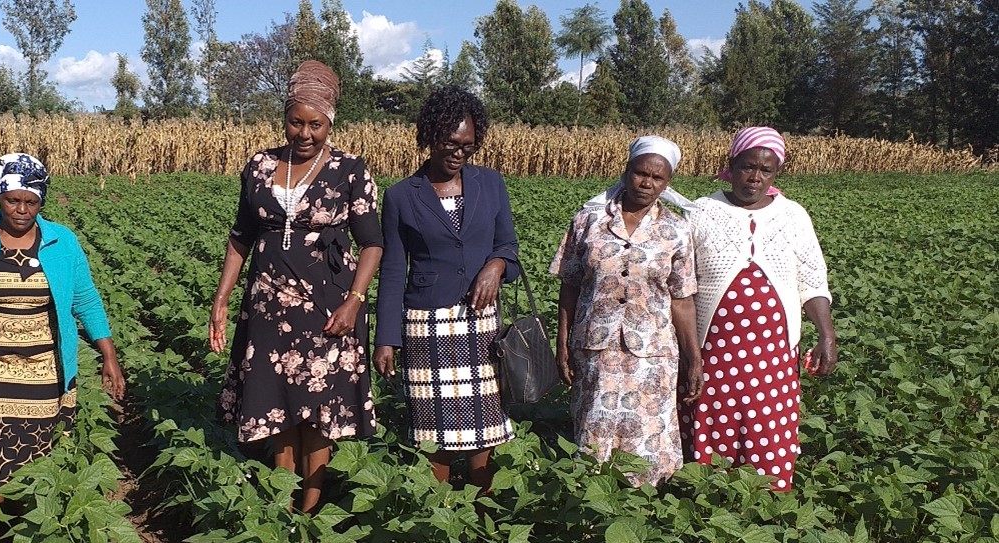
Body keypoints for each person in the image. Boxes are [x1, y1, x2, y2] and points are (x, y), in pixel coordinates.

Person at [209, 60, 384, 514]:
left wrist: (354, 301)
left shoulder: (350, 170)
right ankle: (281, 501)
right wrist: (223, 296)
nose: (304, 133)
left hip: (328, 305)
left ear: (331, 122)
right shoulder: (261, 165)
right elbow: (240, 236)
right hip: (268, 306)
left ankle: (311, 508)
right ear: (284, 118)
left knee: (318, 407)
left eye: (316, 124)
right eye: (296, 122)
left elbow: (372, 244)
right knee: (276, 403)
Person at [0, 153, 125, 543]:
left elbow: (85, 300)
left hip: (43, 369)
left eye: (31, 202)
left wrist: (109, 355)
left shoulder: (62, 242)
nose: (21, 210)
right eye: (12, 201)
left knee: (36, 458)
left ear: (42, 202)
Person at [372, 86, 521, 491]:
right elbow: (391, 270)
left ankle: (481, 513)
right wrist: (385, 339)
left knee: (484, 428)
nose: (458, 153)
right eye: (450, 144)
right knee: (433, 431)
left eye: (468, 146)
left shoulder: (490, 184)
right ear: (429, 138)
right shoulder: (402, 196)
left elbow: (509, 246)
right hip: (426, 324)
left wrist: (496, 265)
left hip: (480, 320)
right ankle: (436, 515)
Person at [681, 127, 836, 492]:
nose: (755, 177)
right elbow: (681, 285)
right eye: (747, 167)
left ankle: (767, 502)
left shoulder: (793, 216)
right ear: (730, 166)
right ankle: (710, 502)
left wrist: (826, 334)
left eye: (766, 170)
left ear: (775, 173)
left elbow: (812, 282)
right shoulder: (701, 212)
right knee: (712, 418)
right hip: (714, 350)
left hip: (774, 354)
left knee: (769, 425)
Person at [550, 136, 702, 487]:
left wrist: (694, 359)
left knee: (648, 441)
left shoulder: (675, 230)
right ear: (626, 171)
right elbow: (570, 285)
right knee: (593, 432)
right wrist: (562, 342)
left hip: (653, 356)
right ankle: (591, 513)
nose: (647, 183)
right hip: (596, 350)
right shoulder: (588, 221)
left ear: (667, 183)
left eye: (658, 178)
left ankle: (646, 515)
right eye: (640, 173)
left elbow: (681, 299)